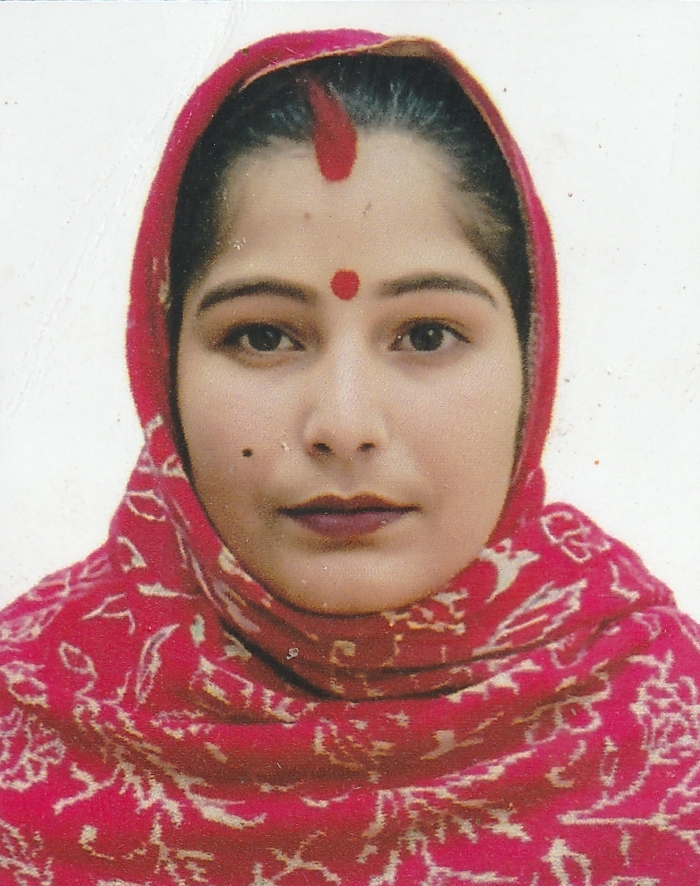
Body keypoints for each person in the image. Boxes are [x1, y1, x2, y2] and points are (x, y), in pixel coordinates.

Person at [0, 28, 698, 884]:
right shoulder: (26, 719)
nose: (343, 423)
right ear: (162, 358)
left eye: (426, 334)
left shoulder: (665, 724)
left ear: (531, 354)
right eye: (263, 336)